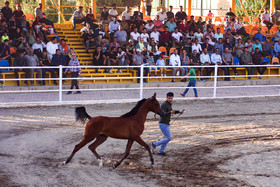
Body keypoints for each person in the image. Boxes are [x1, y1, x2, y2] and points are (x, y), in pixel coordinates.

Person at [151, 92, 184, 156]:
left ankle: (161, 151)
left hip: (166, 123)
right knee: (168, 138)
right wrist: (170, 112)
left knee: (167, 138)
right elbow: (162, 113)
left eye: (171, 98)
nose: (170, 99)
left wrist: (178, 111)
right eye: (169, 98)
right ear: (166, 98)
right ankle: (155, 144)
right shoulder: (164, 104)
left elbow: (171, 112)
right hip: (163, 123)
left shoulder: (169, 104)